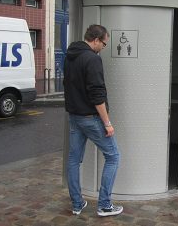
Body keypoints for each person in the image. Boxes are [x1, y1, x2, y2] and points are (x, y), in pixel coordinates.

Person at [63, 24, 122, 217]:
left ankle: (77, 203)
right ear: (96, 40)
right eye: (104, 44)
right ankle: (105, 205)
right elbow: (97, 96)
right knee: (113, 156)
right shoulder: (92, 59)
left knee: (73, 160)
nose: (103, 48)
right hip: (91, 118)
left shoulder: (70, 56)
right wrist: (107, 123)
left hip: (74, 117)